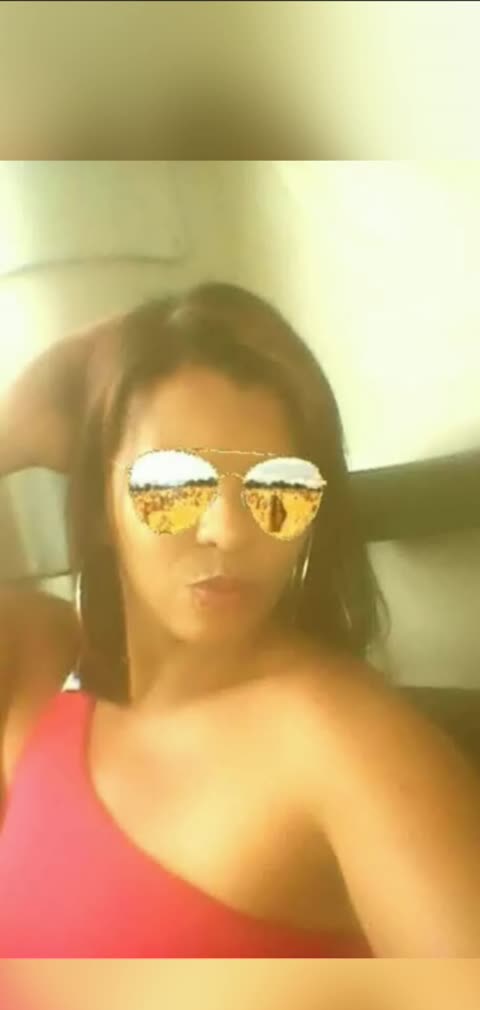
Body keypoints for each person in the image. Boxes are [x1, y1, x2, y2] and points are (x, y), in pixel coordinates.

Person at [0, 281, 479, 958]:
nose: (227, 529)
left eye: (280, 486)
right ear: (100, 502)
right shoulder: (43, 672)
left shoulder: (346, 744)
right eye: (170, 483)